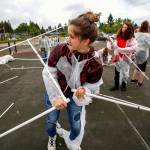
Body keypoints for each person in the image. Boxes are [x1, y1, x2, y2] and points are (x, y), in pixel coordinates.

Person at [42, 11, 103, 150]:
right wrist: (56, 97)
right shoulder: (60, 50)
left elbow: (93, 87)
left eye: (71, 36)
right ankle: (52, 136)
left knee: (76, 126)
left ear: (86, 40)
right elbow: (48, 73)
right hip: (55, 91)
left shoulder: (95, 64)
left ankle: (72, 140)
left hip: (74, 97)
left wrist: (84, 91)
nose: (67, 39)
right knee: (51, 121)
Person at [107, 21, 137, 91]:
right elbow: (113, 47)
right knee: (116, 72)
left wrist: (122, 49)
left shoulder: (131, 39)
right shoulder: (118, 36)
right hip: (117, 57)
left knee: (125, 73)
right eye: (123, 27)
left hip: (125, 58)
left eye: (126, 27)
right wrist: (110, 42)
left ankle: (124, 85)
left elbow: (134, 48)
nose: (123, 28)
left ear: (129, 29)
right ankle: (116, 85)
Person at [131, 20, 150, 86]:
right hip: (143, 53)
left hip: (136, 52)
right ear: (147, 27)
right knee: (143, 69)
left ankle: (133, 79)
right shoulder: (147, 35)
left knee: (137, 66)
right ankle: (140, 83)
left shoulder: (136, 34)